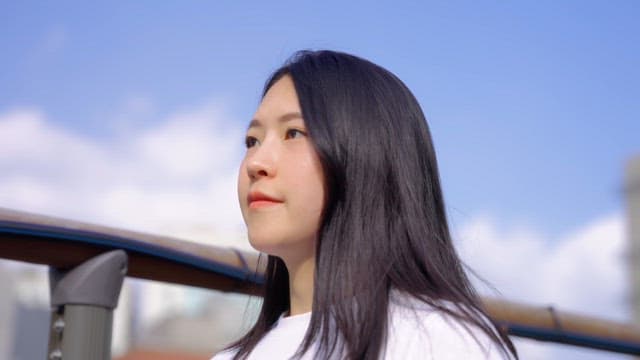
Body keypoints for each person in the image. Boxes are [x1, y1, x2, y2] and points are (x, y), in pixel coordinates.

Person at [212, 50, 518, 360]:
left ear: (369, 156)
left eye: (294, 133)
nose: (256, 162)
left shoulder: (441, 341)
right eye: (252, 140)